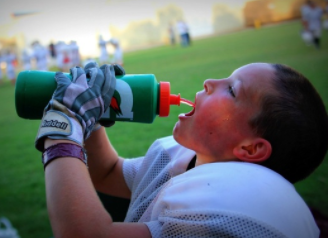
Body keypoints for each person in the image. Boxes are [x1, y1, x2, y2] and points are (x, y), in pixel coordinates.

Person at [34, 62, 328, 238]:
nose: (209, 82)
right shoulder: (180, 155)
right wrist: (91, 119)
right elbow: (107, 171)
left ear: (250, 149)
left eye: (232, 90)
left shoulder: (227, 211)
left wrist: (64, 122)